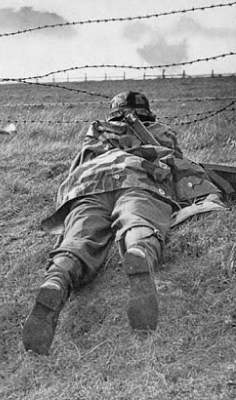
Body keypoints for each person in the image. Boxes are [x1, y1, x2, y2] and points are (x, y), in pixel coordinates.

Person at [22, 91, 231, 355]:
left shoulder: (96, 133)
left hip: (90, 185)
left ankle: (56, 279)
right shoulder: (160, 131)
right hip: (140, 177)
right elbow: (177, 164)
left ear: (113, 113)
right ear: (148, 112)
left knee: (79, 239)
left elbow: (75, 169)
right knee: (138, 219)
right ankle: (138, 251)